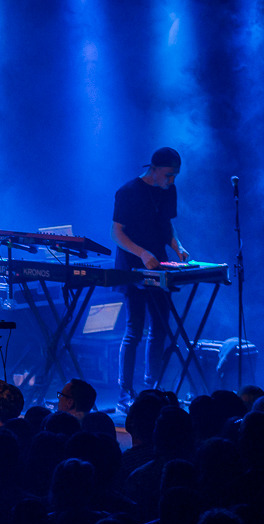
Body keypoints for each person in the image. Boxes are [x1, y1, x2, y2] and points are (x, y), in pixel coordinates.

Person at [111, 148, 190, 412]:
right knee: (135, 328)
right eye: (169, 175)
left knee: (160, 327)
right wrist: (142, 253)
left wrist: (177, 246)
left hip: (158, 265)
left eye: (175, 176)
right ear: (153, 169)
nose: (171, 181)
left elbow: (167, 224)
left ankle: (151, 387)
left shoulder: (169, 191)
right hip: (133, 264)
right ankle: (125, 393)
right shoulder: (128, 192)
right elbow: (117, 233)